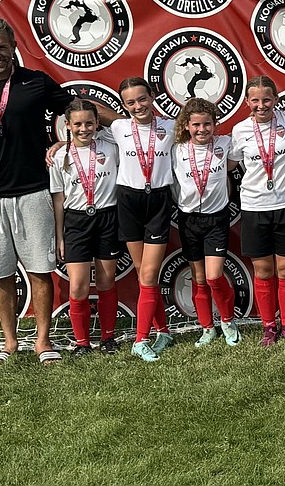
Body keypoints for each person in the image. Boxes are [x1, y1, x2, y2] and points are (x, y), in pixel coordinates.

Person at [0, 18, 72, 367]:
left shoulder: (35, 82)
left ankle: (42, 340)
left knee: (40, 269)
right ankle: (9, 343)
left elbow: (76, 110)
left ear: (13, 48)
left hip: (33, 190)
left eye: (3, 47)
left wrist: (126, 123)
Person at [99, 78, 177, 362]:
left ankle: (140, 339)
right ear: (123, 106)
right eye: (130, 102)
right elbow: (89, 111)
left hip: (158, 201)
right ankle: (164, 331)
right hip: (128, 201)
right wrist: (61, 142)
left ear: (152, 96)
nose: (138, 106)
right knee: (143, 270)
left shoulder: (171, 127)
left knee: (148, 275)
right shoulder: (119, 127)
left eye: (142, 99)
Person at [229, 76, 285, 346]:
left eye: (267, 99)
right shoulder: (239, 131)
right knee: (263, 271)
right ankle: (268, 326)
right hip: (254, 207)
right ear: (247, 101)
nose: (262, 105)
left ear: (276, 100)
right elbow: (229, 164)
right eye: (255, 100)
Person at [49, 100, 122, 357]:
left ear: (97, 123)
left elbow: (129, 125)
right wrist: (60, 236)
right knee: (78, 285)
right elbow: (58, 199)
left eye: (89, 123)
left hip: (107, 218)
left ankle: (108, 338)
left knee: (105, 280)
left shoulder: (112, 146)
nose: (84, 129)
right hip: (76, 222)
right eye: (77, 124)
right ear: (67, 125)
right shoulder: (59, 156)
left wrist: (100, 114)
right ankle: (81, 342)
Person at [171, 99, 240, 348]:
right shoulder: (176, 149)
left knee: (213, 277)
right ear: (186, 126)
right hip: (189, 219)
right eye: (196, 125)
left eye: (207, 124)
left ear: (215, 124)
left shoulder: (225, 144)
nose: (202, 130)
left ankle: (227, 320)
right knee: (198, 277)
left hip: (217, 219)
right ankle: (207, 328)